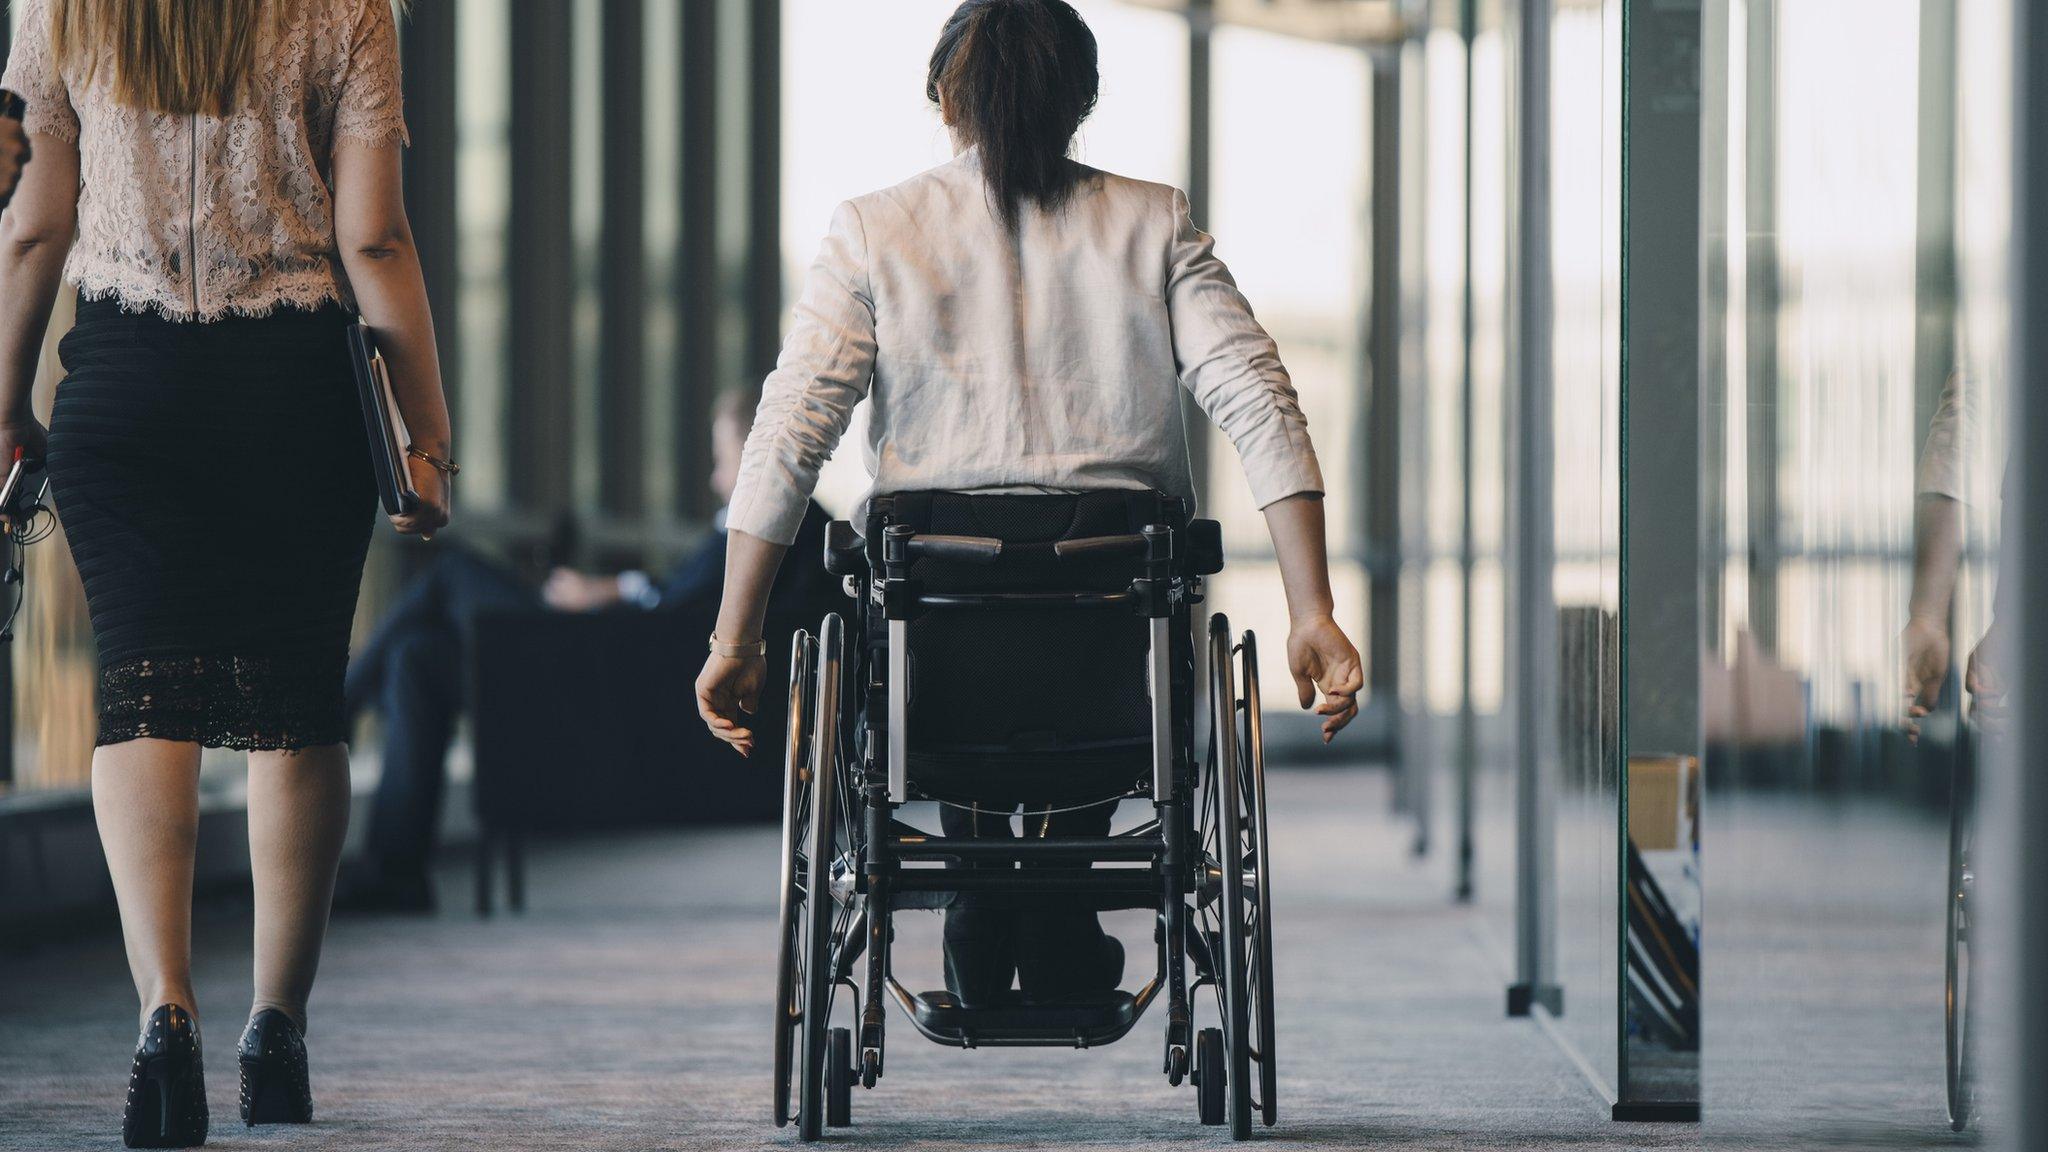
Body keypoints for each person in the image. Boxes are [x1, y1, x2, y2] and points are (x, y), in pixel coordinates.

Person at [694, 0, 1362, 1008]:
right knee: (1094, 638)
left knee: (935, 637)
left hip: (937, 642)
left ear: (941, 98)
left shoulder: (872, 232)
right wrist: (1309, 611)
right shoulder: (1151, 222)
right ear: (1082, 101)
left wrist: (733, 637)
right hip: (1109, 638)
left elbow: (789, 433)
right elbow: (1258, 399)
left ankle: (981, 895)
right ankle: (1050, 916)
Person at [0, 0, 451, 1143]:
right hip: (292, 394)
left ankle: (166, 1018)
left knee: (141, 691)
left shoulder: (65, 7)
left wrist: (3, 410)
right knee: (296, 704)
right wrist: (427, 437)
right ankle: (274, 1031)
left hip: (124, 388)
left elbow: (32, 228)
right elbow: (376, 239)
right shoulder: (348, 8)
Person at [337, 390, 830, 913]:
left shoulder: (764, 525)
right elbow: (691, 602)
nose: (714, 479)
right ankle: (396, 871)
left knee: (453, 573)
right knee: (419, 658)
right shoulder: (799, 531)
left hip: (591, 673)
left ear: (757, 453)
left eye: (723, 459)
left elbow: (675, 609)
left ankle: (342, 705)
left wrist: (601, 593)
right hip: (605, 674)